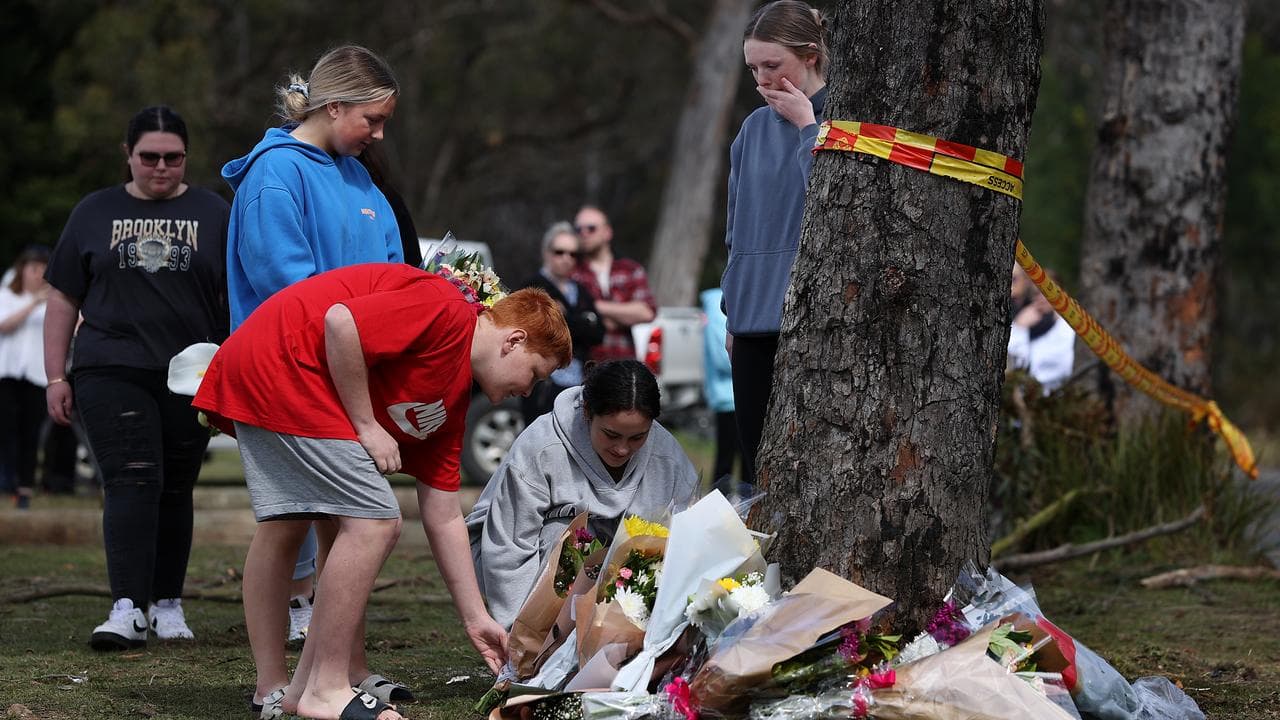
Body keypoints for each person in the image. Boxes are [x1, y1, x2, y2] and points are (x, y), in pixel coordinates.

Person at [192, 262, 570, 720]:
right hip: (282, 366)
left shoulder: (453, 395)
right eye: (534, 374)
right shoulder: (449, 309)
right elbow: (341, 322)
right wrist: (367, 426)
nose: (527, 390)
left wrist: (475, 617)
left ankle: (302, 690)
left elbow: (444, 513)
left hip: (286, 376)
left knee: (360, 521)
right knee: (375, 522)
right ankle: (325, 688)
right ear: (514, 341)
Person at [219, 44, 408, 713]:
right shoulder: (276, 175)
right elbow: (288, 291)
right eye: (372, 119)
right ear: (334, 107)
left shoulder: (360, 179)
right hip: (284, 376)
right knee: (287, 521)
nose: (379, 134)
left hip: (346, 377)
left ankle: (344, 669)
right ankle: (273, 683)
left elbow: (387, 275)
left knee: (344, 520)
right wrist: (363, 321)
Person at [42, 105, 230, 649]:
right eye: (149, 157)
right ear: (128, 155)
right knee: (131, 478)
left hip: (190, 372)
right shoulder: (94, 211)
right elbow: (62, 296)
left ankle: (168, 603)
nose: (161, 167)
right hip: (110, 367)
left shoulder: (213, 212)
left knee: (175, 485)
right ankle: (127, 607)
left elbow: (233, 296)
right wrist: (57, 376)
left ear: (186, 158)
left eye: (173, 158)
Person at [466, 359, 699, 628]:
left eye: (637, 438)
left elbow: (691, 537)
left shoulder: (666, 454)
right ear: (587, 411)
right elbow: (510, 545)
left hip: (619, 587)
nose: (622, 449)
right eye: (611, 435)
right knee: (566, 535)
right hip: (523, 569)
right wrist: (522, 635)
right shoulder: (542, 446)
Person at [721, 1, 828, 485]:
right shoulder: (751, 129)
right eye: (753, 68)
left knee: (811, 468)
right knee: (759, 466)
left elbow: (833, 205)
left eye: (773, 65)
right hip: (750, 324)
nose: (762, 79)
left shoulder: (840, 121)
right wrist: (730, 310)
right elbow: (735, 227)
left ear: (810, 56)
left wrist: (809, 128)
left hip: (813, 318)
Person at [517, 221, 605, 424]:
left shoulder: (581, 290)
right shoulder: (532, 286)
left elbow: (599, 333)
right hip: (543, 384)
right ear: (546, 252)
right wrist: (583, 321)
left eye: (573, 254)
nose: (566, 259)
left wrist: (566, 319)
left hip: (577, 383)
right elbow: (541, 331)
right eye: (560, 252)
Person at [0, 245, 52, 508]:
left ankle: (24, 488)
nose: (38, 274)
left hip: (36, 375)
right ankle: (6, 479)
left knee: (31, 433)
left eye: (43, 269)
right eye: (34, 269)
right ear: (23, 270)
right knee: (7, 429)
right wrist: (32, 304)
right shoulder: (7, 295)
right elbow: (4, 325)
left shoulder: (53, 301)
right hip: (7, 374)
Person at [571, 205, 656, 362]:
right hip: (585, 366)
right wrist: (623, 315)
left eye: (591, 228)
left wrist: (595, 307)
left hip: (624, 364)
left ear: (607, 232)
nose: (584, 234)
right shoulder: (572, 272)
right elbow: (572, 317)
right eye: (578, 229)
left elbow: (646, 313)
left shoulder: (630, 269)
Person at [699, 287, 745, 498]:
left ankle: (745, 510)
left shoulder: (723, 302)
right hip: (730, 396)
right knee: (727, 462)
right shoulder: (720, 304)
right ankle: (717, 510)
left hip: (732, 394)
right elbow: (723, 356)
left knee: (743, 461)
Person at [1007, 265, 1075, 393]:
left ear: (1062, 292)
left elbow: (1026, 371)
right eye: (1035, 294)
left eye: (1045, 292)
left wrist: (1019, 329)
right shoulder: (1038, 329)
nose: (1039, 299)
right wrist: (1020, 327)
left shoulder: (1069, 331)